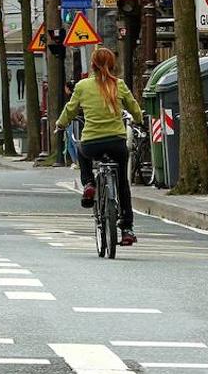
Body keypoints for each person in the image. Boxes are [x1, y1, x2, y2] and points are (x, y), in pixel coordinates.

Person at [56, 47, 143, 246]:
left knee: (81, 150)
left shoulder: (82, 86)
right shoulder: (118, 85)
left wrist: (60, 124)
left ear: (92, 66)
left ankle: (88, 184)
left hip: (92, 143)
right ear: (112, 65)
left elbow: (70, 109)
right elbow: (134, 108)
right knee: (122, 185)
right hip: (117, 143)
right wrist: (139, 119)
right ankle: (127, 229)